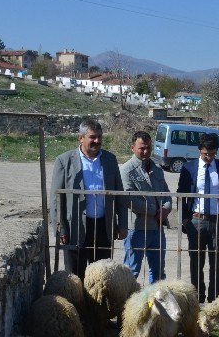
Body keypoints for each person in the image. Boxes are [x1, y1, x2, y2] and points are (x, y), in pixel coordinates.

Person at [50, 118, 127, 279]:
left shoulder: (110, 160)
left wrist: (122, 224)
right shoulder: (64, 161)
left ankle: (97, 305)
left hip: (103, 226)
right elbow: (56, 199)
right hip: (75, 228)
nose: (97, 141)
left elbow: (119, 194)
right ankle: (77, 304)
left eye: (99, 137)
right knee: (74, 277)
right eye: (92, 137)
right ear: (81, 138)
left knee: (101, 277)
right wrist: (61, 228)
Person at [177, 133, 219, 302]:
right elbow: (181, 194)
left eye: (212, 153)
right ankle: (197, 299)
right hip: (196, 221)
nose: (209, 157)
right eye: (205, 154)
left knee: (217, 263)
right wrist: (185, 220)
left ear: (216, 151)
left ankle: (215, 300)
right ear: (199, 151)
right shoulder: (189, 168)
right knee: (196, 262)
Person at [120, 131, 171, 283]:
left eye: (148, 148)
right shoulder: (126, 170)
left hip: (157, 228)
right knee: (131, 271)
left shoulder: (157, 169)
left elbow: (166, 193)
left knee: (157, 272)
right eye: (142, 148)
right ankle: (127, 305)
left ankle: (152, 305)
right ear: (132, 148)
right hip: (136, 228)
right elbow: (129, 199)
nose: (146, 151)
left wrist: (166, 208)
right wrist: (154, 210)